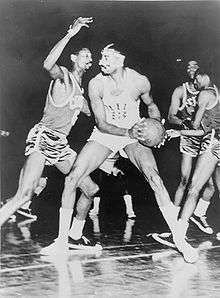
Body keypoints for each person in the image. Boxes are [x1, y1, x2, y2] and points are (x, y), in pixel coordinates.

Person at [42, 43, 192, 261]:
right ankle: (62, 241)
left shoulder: (139, 81)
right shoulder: (96, 84)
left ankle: (180, 240)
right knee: (73, 177)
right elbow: (102, 124)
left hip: (134, 131)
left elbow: (150, 106)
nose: (101, 60)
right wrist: (128, 131)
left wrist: (156, 130)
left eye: (107, 56)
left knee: (155, 179)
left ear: (121, 60)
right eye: (101, 55)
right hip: (108, 133)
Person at [0, 17, 98, 229]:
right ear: (73, 57)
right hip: (44, 138)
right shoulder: (64, 76)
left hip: (61, 145)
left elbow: (92, 114)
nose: (90, 57)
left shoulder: (82, 89)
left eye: (92, 55)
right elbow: (47, 64)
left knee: (90, 189)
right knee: (23, 195)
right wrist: (70, 34)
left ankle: (74, 237)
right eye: (85, 54)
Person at [167, 71, 220, 261]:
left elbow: (198, 130)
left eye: (197, 76)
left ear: (205, 76)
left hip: (215, 142)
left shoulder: (204, 94)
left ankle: (179, 234)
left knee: (194, 188)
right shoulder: (216, 91)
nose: (194, 79)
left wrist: (177, 132)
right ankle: (195, 218)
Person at [89, 152, 136, 219]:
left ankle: (130, 211)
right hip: (103, 163)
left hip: (118, 162)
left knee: (125, 187)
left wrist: (117, 166)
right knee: (98, 186)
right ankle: (95, 209)